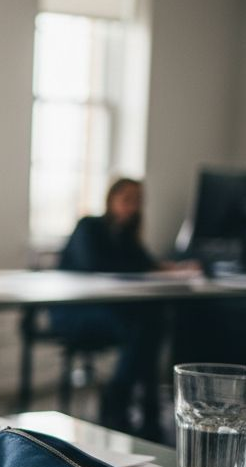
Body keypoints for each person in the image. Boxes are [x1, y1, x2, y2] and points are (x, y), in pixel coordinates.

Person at [50, 178, 187, 437]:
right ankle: (123, 401)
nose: (132, 206)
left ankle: (141, 407)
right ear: (111, 199)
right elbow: (96, 265)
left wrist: (175, 268)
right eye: (127, 199)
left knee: (154, 319)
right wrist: (150, 269)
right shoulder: (89, 227)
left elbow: (147, 264)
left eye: (138, 201)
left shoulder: (127, 236)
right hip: (74, 313)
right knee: (142, 325)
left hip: (111, 314)